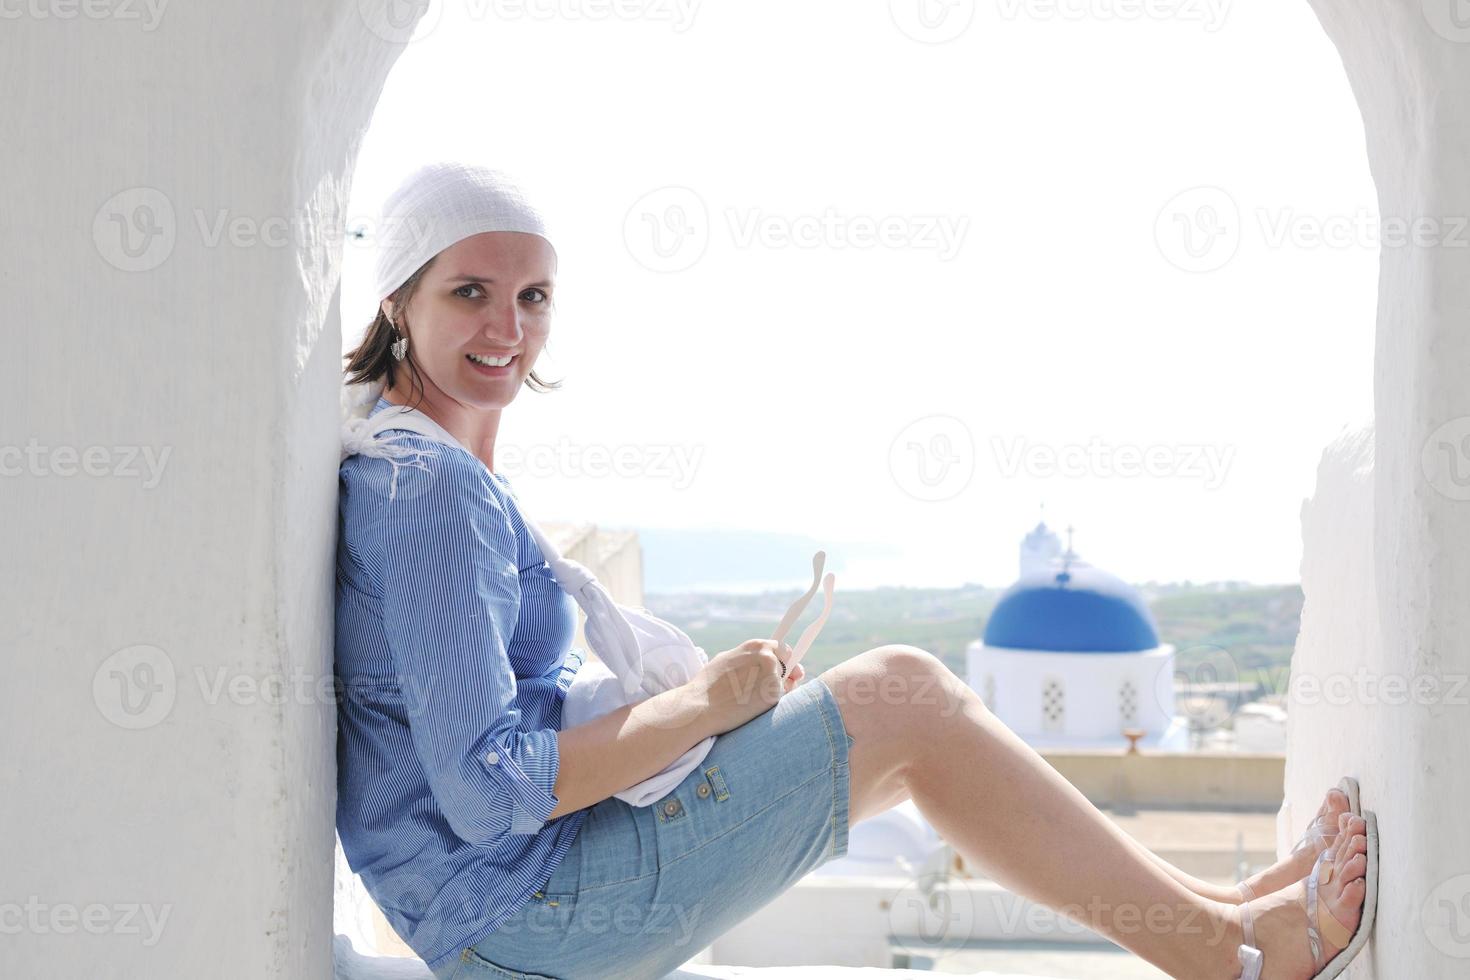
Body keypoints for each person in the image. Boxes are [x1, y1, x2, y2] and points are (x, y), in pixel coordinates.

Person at [334, 162, 1370, 980]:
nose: (508, 328)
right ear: (399, 296)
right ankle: (1231, 955)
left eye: (533, 295)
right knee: (906, 700)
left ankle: (1224, 918)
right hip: (525, 922)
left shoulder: (416, 454)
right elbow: (487, 787)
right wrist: (702, 703)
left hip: (509, 910)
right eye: (471, 291)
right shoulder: (427, 487)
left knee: (900, 710)